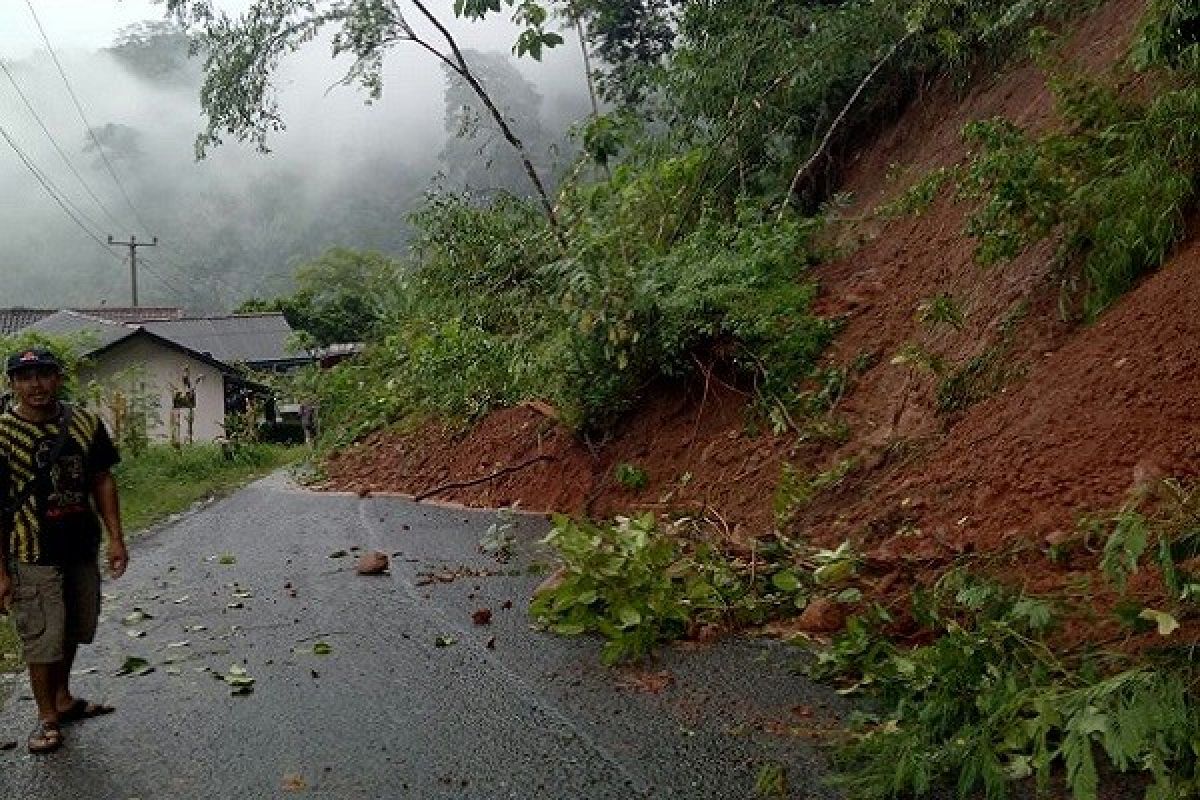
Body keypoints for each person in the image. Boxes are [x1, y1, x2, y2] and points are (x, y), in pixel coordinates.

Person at [0, 348, 128, 754]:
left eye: (43, 374)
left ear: (58, 378)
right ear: (12, 384)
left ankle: (64, 698)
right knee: (42, 637)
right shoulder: (1, 433)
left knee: (74, 626)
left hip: (80, 546)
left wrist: (116, 537)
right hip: (30, 551)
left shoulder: (85, 423)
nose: (35, 384)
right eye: (25, 377)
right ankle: (46, 718)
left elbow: (102, 479)